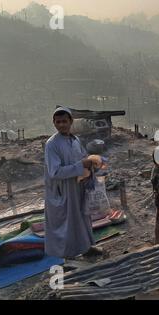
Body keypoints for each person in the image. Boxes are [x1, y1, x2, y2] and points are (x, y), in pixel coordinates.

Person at [44, 106, 102, 259]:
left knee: (83, 217)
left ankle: (86, 247)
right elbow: (55, 172)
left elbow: (83, 158)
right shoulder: (52, 144)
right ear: (54, 123)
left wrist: (91, 164)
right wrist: (80, 165)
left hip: (78, 186)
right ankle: (68, 254)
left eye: (64, 121)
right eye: (58, 122)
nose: (62, 125)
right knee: (67, 223)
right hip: (63, 190)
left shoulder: (75, 140)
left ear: (71, 121)